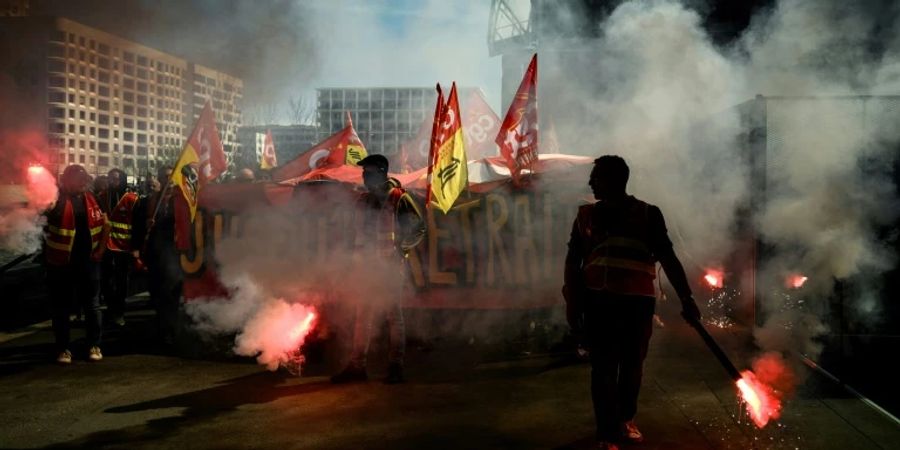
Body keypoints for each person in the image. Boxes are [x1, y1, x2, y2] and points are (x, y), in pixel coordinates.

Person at [563, 155, 701, 450]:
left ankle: (625, 419)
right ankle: (606, 433)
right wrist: (572, 304)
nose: (590, 182)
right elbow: (572, 263)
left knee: (631, 366)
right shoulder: (585, 216)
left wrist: (687, 297)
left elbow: (668, 258)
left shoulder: (649, 214)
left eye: (596, 177)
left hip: (636, 305)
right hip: (598, 302)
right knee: (602, 368)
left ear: (615, 180)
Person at [331, 154, 426, 384]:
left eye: (369, 173)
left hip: (389, 268)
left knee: (394, 316)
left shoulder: (399, 198)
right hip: (366, 268)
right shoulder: (362, 201)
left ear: (382, 173)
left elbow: (419, 228)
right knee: (362, 316)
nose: (365, 177)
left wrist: (400, 251)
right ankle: (357, 367)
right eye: (364, 173)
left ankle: (395, 366)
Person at [44, 164, 108, 363]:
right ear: (67, 181)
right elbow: (41, 225)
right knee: (61, 308)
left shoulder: (93, 199)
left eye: (84, 180)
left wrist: (100, 250)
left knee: (92, 307)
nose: (83, 183)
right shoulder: (55, 201)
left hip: (89, 262)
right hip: (61, 264)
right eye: (79, 180)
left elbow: (106, 225)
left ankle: (94, 345)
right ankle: (63, 348)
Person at [132, 165, 182, 346]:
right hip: (155, 255)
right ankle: (163, 327)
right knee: (158, 294)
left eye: (171, 176)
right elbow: (136, 227)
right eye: (165, 177)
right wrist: (136, 247)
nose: (169, 180)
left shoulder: (183, 202)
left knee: (172, 294)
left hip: (176, 255)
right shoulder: (148, 202)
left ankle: (171, 332)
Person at [97, 168, 138, 326]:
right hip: (105, 246)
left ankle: (119, 312)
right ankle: (110, 308)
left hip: (124, 247)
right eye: (110, 178)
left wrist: (135, 248)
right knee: (105, 281)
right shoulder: (102, 196)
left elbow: (137, 225)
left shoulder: (132, 199)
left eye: (116, 179)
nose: (113, 182)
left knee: (121, 282)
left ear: (123, 180)